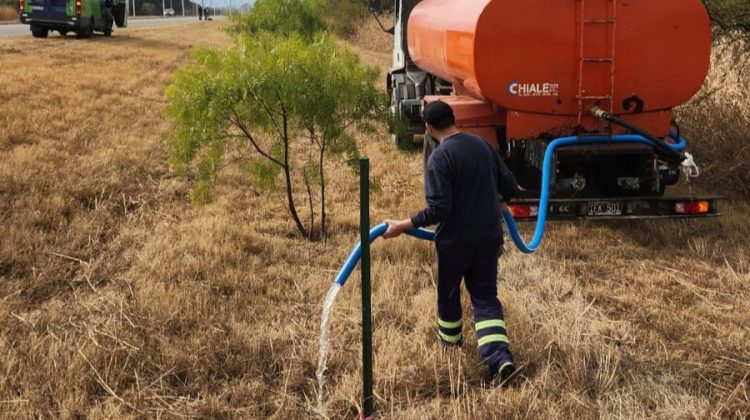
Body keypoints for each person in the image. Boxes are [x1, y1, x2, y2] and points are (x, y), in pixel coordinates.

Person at [383, 101, 519, 385]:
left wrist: (402, 226)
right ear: (454, 119)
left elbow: (439, 209)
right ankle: (499, 358)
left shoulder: (440, 158)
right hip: (488, 238)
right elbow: (508, 185)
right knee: (484, 296)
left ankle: (451, 347)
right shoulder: (482, 146)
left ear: (429, 128)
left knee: (448, 294)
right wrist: (500, 202)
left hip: (455, 242)